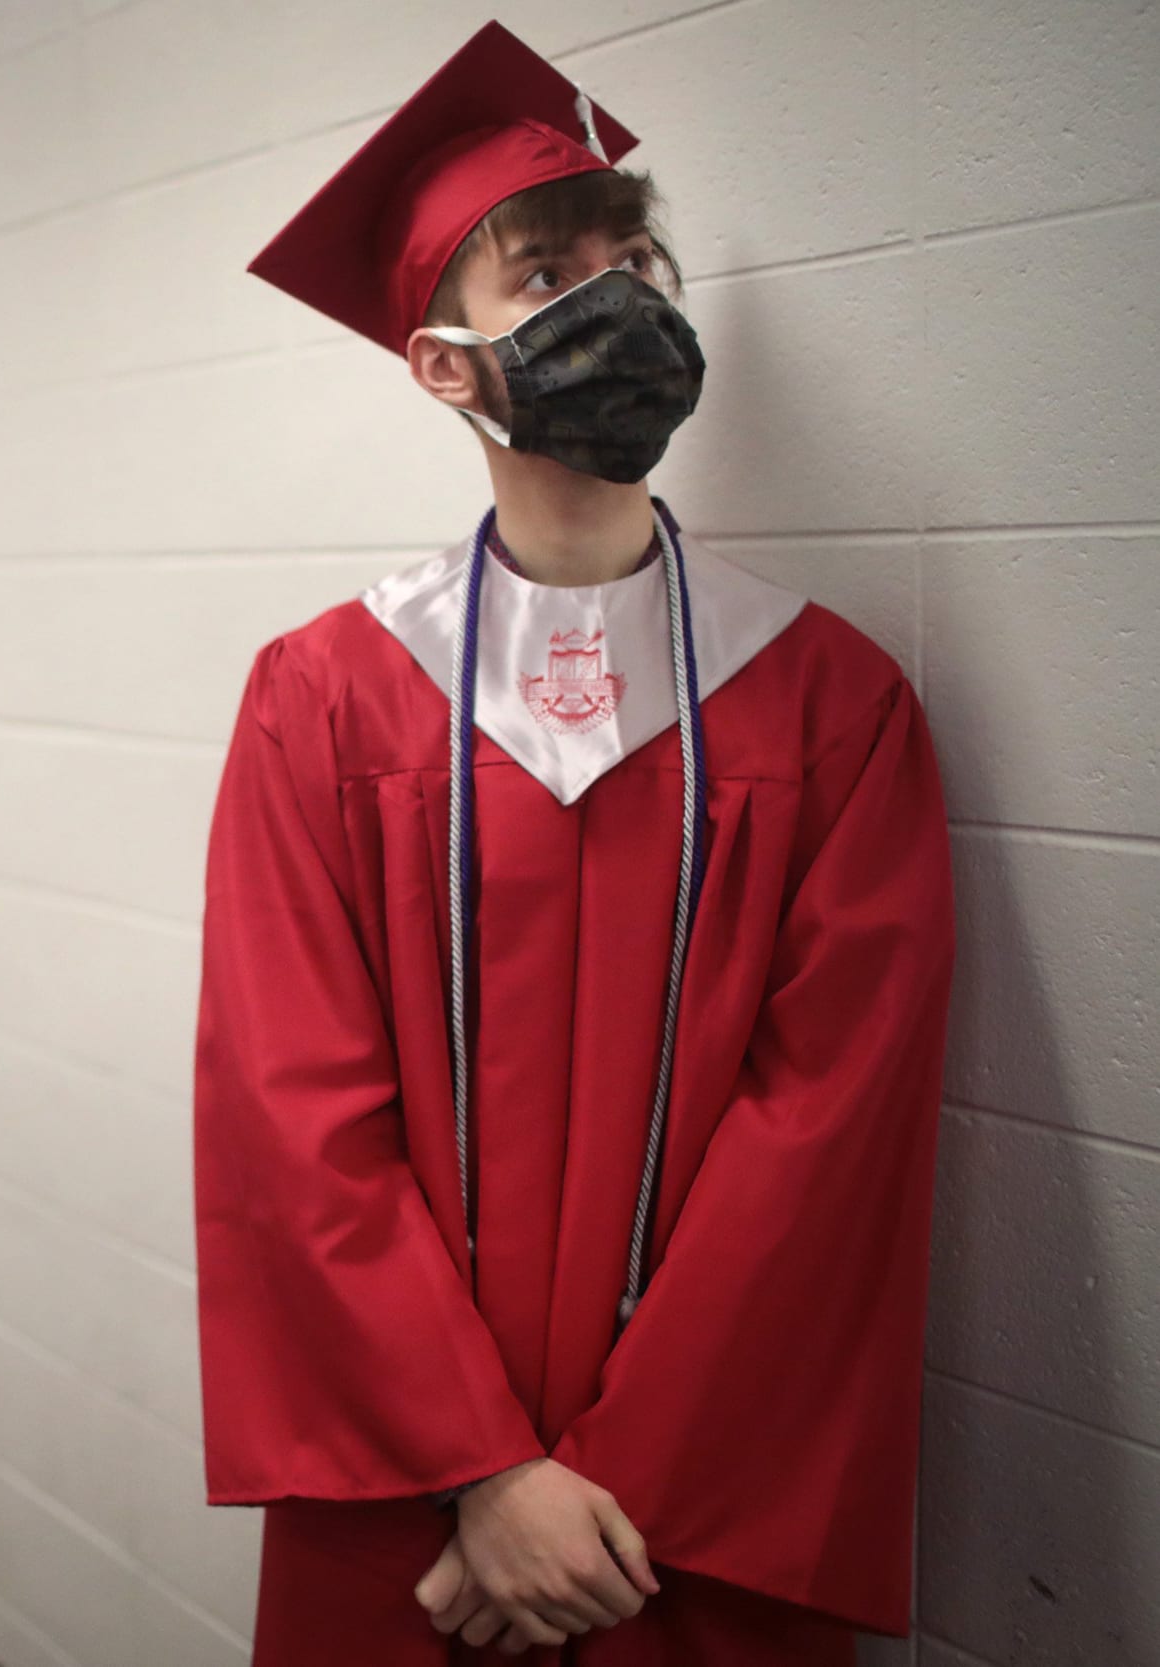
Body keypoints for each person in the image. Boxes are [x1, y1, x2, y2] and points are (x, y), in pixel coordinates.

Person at [194, 23, 954, 1666]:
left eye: (636, 263)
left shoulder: (832, 706)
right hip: (413, 1493)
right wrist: (478, 1468)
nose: (620, 303)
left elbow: (829, 1136)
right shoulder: (324, 700)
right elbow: (290, 1112)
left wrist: (596, 1490)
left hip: (684, 1504)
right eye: (547, 274)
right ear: (444, 364)